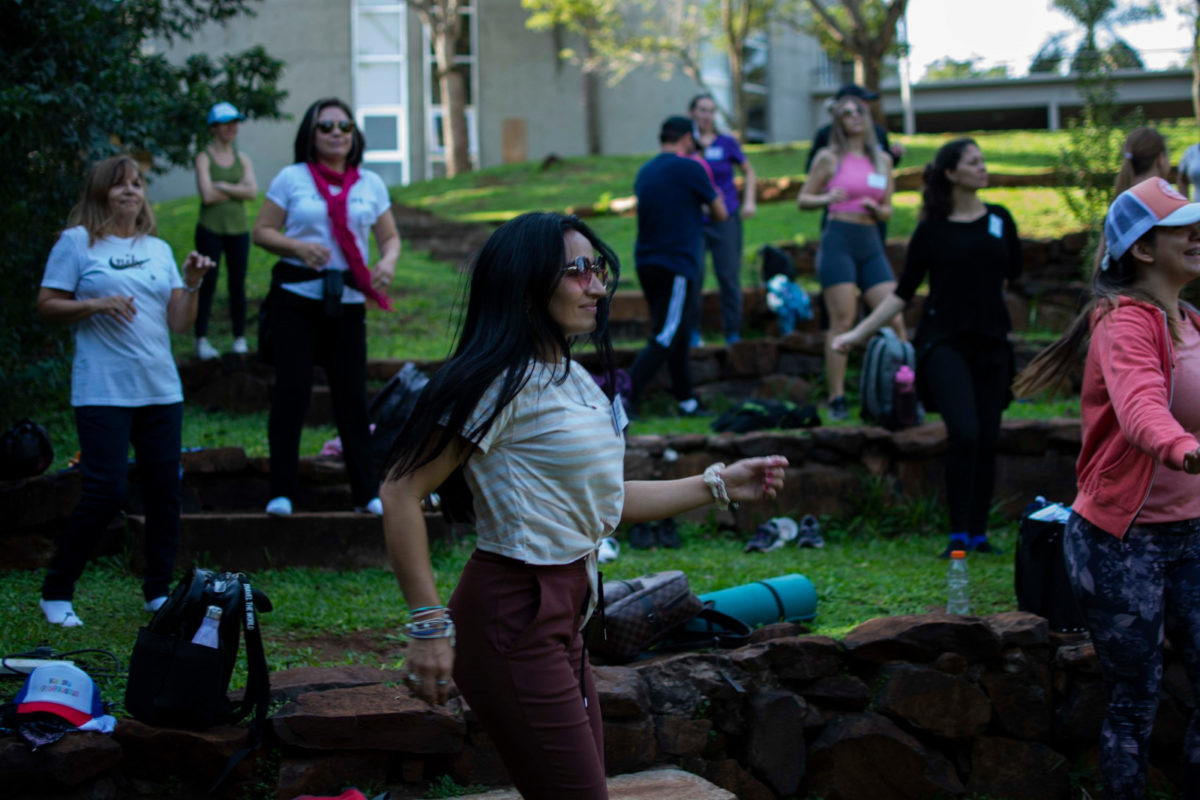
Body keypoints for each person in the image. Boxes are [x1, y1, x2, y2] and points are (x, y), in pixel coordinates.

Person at [379, 211, 788, 800]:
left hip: (568, 610)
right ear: (525, 284)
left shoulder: (570, 377)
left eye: (597, 269)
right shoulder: (497, 383)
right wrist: (426, 624)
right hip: (513, 611)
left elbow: (602, 503)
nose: (597, 286)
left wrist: (718, 482)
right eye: (578, 272)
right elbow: (401, 490)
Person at [1013, 176, 1200, 800]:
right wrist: (1184, 448)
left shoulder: (1193, 322)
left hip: (1194, 532)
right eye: (1184, 226)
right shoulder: (1122, 325)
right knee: (1136, 694)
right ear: (1144, 249)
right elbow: (1141, 406)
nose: (1198, 234)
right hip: (1125, 542)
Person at [35, 155, 215, 627]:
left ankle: (157, 591)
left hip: (159, 388)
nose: (131, 192)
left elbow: (178, 322)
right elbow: (48, 304)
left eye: (137, 184)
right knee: (105, 490)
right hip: (102, 389)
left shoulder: (156, 249)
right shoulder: (77, 243)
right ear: (101, 193)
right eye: (119, 185)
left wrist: (192, 284)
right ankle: (56, 591)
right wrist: (96, 303)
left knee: (163, 492)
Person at [833, 139, 1020, 557]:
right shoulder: (932, 229)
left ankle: (978, 534)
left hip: (992, 345)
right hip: (943, 343)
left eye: (982, 159)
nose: (982, 166)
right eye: (973, 161)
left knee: (988, 437)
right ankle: (957, 536)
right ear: (951, 173)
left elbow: (1012, 274)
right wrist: (857, 334)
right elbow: (901, 294)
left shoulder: (1001, 220)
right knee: (965, 433)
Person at [252, 98, 400, 517]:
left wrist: (386, 264)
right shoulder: (291, 178)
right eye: (326, 126)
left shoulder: (370, 184)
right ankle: (281, 491)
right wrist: (296, 246)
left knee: (352, 397)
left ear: (355, 136)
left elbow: (390, 239)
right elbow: (261, 231)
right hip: (296, 299)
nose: (336, 133)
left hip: (349, 302)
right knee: (292, 392)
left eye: (345, 127)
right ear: (310, 134)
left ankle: (365, 493)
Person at [798, 92, 903, 422]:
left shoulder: (883, 160)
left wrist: (878, 208)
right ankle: (837, 397)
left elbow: (888, 211)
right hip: (839, 239)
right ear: (839, 121)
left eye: (859, 111)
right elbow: (803, 199)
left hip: (870, 240)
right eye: (847, 113)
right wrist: (827, 196)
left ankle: (903, 389)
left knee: (894, 317)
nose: (855, 116)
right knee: (842, 320)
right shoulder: (828, 158)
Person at [628, 116, 728, 417]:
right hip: (676, 263)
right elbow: (721, 213)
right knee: (666, 334)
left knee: (679, 333)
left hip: (646, 261)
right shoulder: (691, 168)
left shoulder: (645, 171)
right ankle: (621, 396)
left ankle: (687, 402)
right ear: (687, 139)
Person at [688, 93, 757, 344]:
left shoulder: (727, 143)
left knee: (728, 276)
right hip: (694, 221)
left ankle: (733, 333)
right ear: (692, 113)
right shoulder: (686, 145)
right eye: (702, 110)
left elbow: (749, 171)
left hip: (725, 219)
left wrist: (749, 201)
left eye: (711, 110)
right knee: (693, 277)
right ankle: (693, 333)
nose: (706, 115)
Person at [192, 102, 257, 360]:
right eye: (226, 123)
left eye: (234, 123)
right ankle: (201, 340)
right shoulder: (203, 157)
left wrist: (221, 185)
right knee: (207, 283)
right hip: (210, 230)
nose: (232, 128)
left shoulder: (243, 158)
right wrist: (236, 188)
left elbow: (252, 192)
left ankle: (239, 338)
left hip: (238, 230)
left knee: (237, 285)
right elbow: (206, 195)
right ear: (214, 127)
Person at [806, 84, 904, 245]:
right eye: (860, 102)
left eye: (862, 107)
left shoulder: (877, 132)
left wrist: (895, 157)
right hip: (839, 216)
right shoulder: (825, 135)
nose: (859, 113)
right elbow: (812, 170)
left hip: (873, 219)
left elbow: (883, 168)